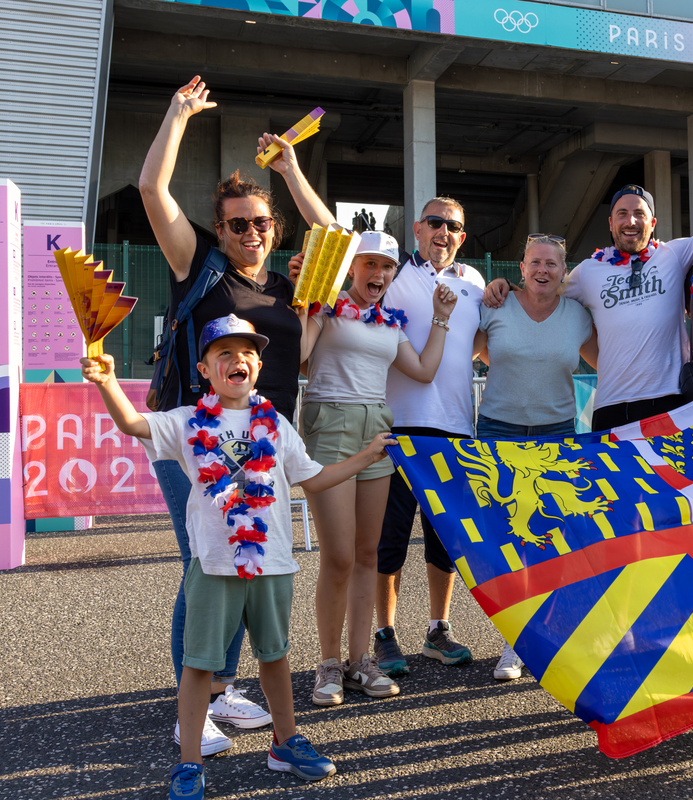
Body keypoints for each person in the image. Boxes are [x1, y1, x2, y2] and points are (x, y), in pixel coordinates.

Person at [83, 317, 396, 799]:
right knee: (199, 666)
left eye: (247, 352)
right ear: (205, 370)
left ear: (260, 365)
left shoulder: (276, 423)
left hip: (272, 561)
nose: (237, 360)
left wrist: (367, 456)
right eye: (224, 353)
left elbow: (313, 478)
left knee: (275, 656)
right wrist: (106, 382)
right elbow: (132, 423)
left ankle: (286, 742)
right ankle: (189, 763)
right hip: (213, 563)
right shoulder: (189, 420)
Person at [139, 76, 332, 754]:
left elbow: (332, 235)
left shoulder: (285, 287)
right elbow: (151, 192)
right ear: (219, 230)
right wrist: (178, 114)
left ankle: (220, 688)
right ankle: (192, 710)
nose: (251, 232)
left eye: (262, 222)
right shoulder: (201, 267)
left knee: (244, 563)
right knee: (205, 565)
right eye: (238, 223)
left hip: (259, 446)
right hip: (196, 437)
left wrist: (290, 168)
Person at [485, 147, 693, 431]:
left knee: (669, 495)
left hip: (668, 402)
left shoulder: (675, 254)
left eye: (639, 213)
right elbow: (544, 293)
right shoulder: (588, 272)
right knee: (615, 495)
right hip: (609, 405)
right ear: (610, 223)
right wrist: (507, 285)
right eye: (622, 213)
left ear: (652, 224)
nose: (630, 220)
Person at [295, 231, 458, 706]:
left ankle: (359, 660)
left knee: (368, 554)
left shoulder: (392, 322)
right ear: (351, 268)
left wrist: (442, 320)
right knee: (339, 556)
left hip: (377, 432)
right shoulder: (326, 307)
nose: (379, 275)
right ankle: (328, 664)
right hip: (331, 429)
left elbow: (425, 371)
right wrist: (307, 302)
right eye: (369, 264)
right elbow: (301, 357)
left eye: (386, 267)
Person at [471, 233, 597, 680]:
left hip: (557, 436)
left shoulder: (579, 317)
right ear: (519, 268)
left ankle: (531, 640)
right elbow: (469, 353)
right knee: (505, 541)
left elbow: (611, 363)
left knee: (546, 540)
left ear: (565, 272)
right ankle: (513, 636)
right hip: (498, 433)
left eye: (552, 264)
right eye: (535, 262)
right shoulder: (494, 305)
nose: (543, 270)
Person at [377, 197, 487, 675]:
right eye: (436, 223)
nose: (444, 231)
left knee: (445, 539)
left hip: (458, 429)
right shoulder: (396, 277)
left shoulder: (475, 283)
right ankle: (384, 633)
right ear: (418, 230)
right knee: (391, 540)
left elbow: (479, 344)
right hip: (402, 427)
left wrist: (500, 288)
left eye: (454, 226)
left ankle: (438, 629)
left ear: (462, 236)